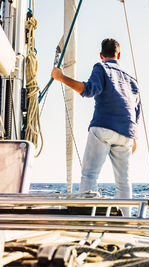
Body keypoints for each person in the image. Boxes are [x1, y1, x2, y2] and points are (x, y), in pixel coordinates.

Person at [51, 38, 140, 216]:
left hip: (104, 128)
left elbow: (89, 90)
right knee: (123, 181)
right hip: (126, 133)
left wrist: (61, 78)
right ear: (119, 55)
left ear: (101, 55)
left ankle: (86, 219)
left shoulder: (101, 67)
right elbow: (136, 109)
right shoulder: (131, 79)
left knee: (90, 175)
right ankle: (125, 223)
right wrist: (134, 138)